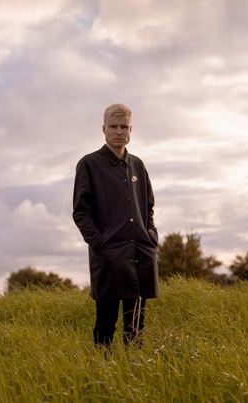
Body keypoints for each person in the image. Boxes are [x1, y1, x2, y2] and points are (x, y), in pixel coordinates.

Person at [73, 103, 159, 349]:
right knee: (105, 325)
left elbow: (148, 206)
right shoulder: (89, 164)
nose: (119, 131)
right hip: (109, 256)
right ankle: (103, 369)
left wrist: (151, 235)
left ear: (131, 130)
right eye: (113, 126)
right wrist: (100, 243)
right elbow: (81, 211)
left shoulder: (137, 165)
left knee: (136, 327)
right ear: (104, 129)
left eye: (124, 127)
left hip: (140, 253)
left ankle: (134, 368)